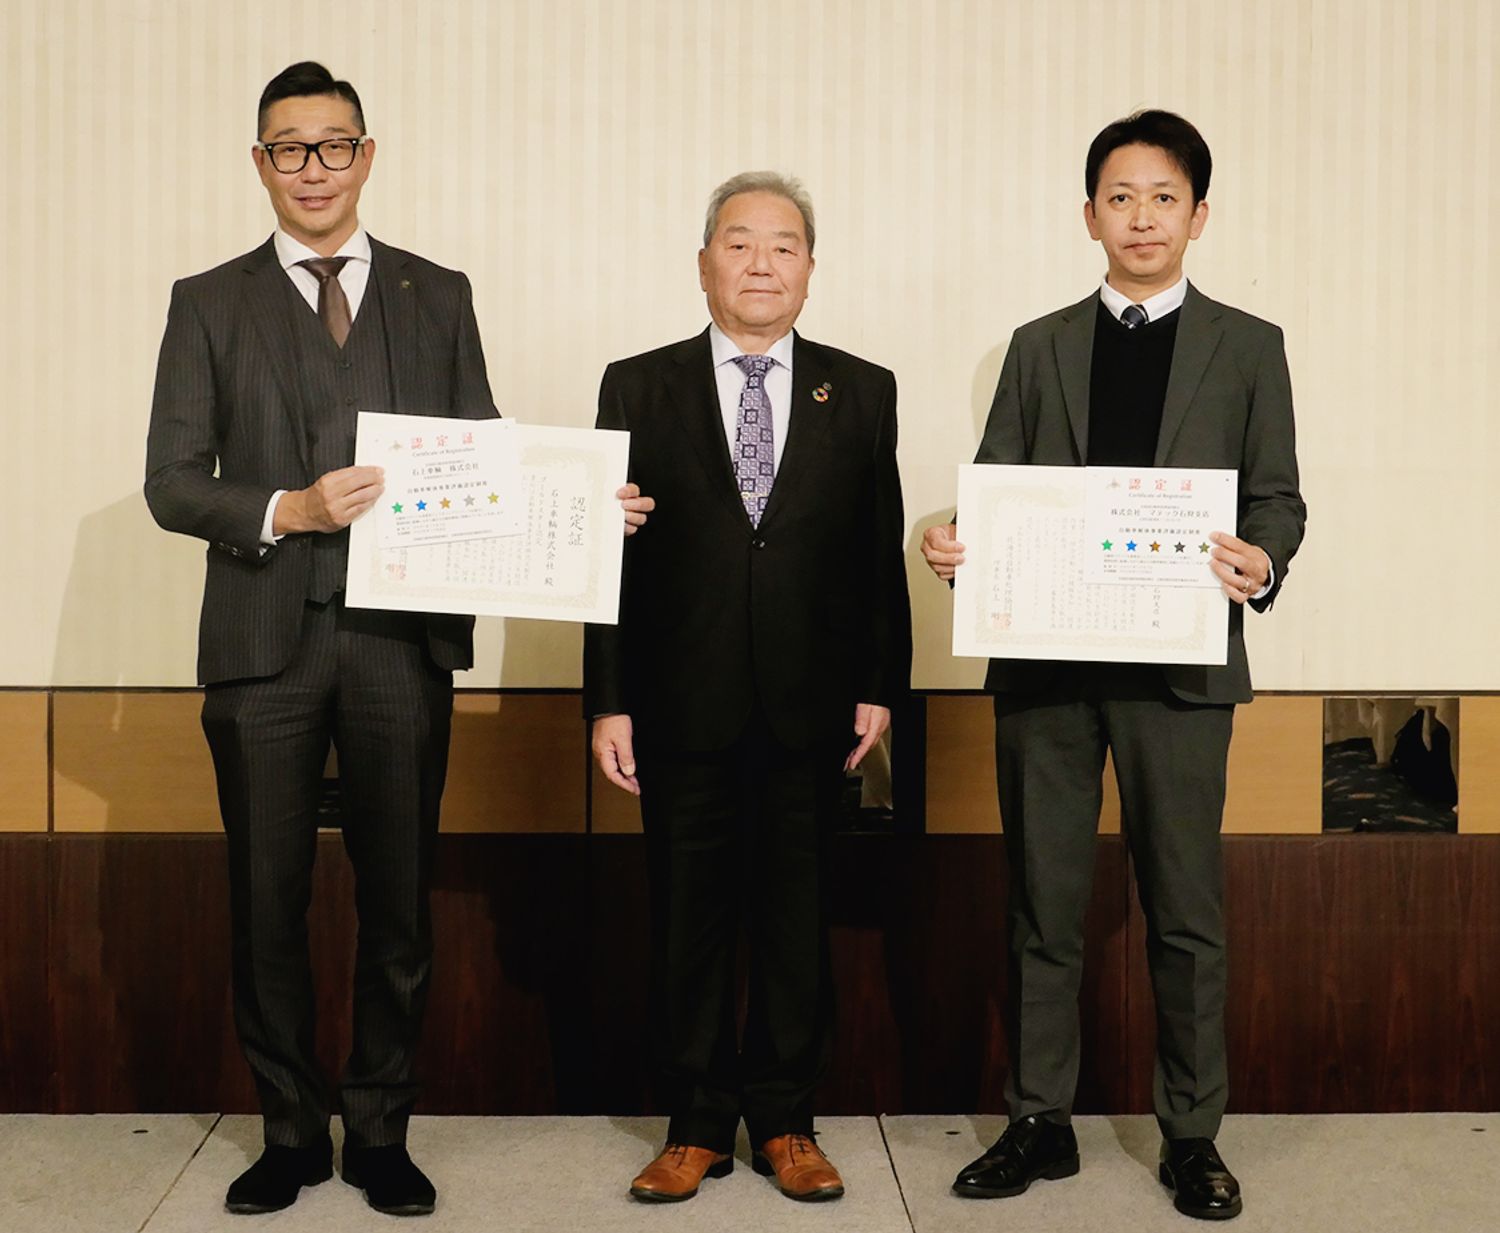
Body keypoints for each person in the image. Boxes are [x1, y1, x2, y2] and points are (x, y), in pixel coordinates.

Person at [144, 61, 651, 1217]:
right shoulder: (208, 300)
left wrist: (578, 505)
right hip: (261, 648)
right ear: (260, 162)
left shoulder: (437, 293)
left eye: (333, 145)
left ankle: (379, 1130)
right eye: (289, 148)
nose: (313, 168)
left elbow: (483, 450)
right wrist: (290, 509)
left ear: (367, 156)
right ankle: (288, 1133)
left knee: (400, 898)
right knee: (265, 902)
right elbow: (172, 482)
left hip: (398, 642)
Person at [922, 110, 1305, 1221]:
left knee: (1185, 911)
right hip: (1047, 667)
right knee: (1042, 905)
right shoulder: (1039, 343)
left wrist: (1262, 557)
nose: (1142, 217)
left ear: (1199, 216)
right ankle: (1038, 1120)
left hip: (1181, 668)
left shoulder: (1250, 345)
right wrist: (957, 542)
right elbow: (997, 485)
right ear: (1089, 215)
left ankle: (1191, 1135)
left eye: (1163, 197)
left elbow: (1277, 496)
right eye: (1120, 198)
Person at [586, 172, 912, 1204]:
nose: (761, 263)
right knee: (686, 921)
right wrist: (608, 699)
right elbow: (603, 553)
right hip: (679, 700)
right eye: (738, 243)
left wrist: (881, 685)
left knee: (795, 921)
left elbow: (877, 550)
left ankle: (785, 1119)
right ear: (703, 265)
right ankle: (693, 1124)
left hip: (812, 702)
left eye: (783, 245)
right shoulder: (637, 385)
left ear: (810, 269)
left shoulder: (862, 389)